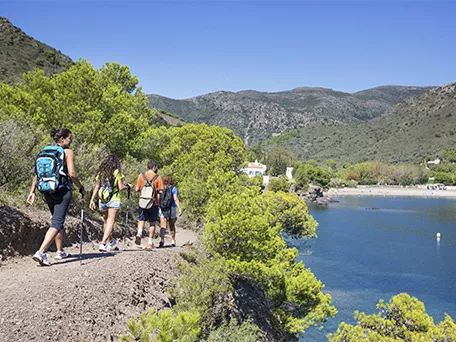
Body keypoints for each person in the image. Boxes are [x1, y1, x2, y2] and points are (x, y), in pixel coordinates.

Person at [27, 128, 85, 266]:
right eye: (70, 138)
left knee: (57, 220)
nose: (71, 141)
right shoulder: (67, 152)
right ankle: (41, 252)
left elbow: (37, 174)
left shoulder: (44, 151)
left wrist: (32, 192)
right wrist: (81, 187)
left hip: (46, 190)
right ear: (62, 139)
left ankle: (60, 251)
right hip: (62, 190)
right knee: (57, 222)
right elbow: (72, 173)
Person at [89, 154, 128, 252]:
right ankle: (103, 243)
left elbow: (97, 186)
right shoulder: (117, 172)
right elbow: (120, 187)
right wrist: (127, 186)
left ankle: (111, 242)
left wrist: (92, 199)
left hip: (102, 199)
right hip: (113, 199)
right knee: (110, 221)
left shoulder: (101, 173)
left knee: (106, 222)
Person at [134, 160, 164, 249]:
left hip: (142, 201)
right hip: (153, 202)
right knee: (152, 223)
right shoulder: (157, 177)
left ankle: (139, 233)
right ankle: (150, 242)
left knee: (141, 219)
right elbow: (161, 191)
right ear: (154, 167)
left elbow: (136, 189)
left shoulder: (141, 176)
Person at [159, 175, 182, 247]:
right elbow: (175, 198)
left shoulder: (161, 187)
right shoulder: (173, 188)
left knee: (163, 225)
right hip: (172, 208)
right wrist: (179, 208)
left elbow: (158, 197)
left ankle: (162, 240)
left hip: (162, 208)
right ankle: (173, 241)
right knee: (172, 225)